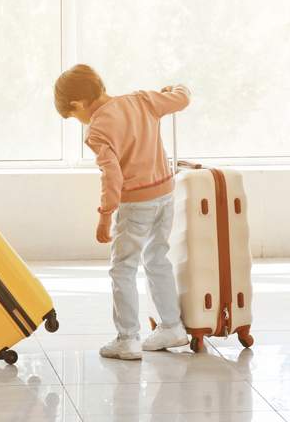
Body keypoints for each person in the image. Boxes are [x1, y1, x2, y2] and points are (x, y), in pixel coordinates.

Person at [54, 64, 191, 360]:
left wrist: (105, 216)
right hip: (166, 195)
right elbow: (182, 99)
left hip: (136, 204)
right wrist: (175, 87)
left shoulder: (97, 130)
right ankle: (172, 326)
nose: (79, 122)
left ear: (77, 104)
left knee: (123, 268)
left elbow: (112, 177)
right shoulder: (142, 100)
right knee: (157, 258)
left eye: (74, 116)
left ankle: (127, 338)